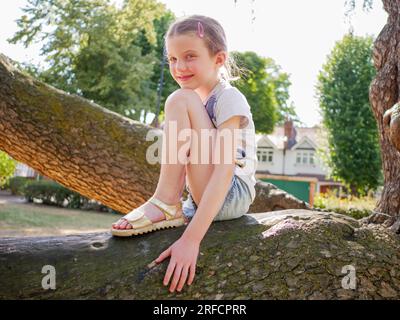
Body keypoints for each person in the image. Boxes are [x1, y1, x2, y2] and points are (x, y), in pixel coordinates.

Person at [111, 14, 257, 293]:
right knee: (180, 99)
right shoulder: (197, 100)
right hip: (202, 196)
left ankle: (165, 202)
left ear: (219, 59)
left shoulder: (229, 98)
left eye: (190, 56)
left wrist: (191, 240)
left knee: (179, 98)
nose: (179, 67)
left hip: (231, 191)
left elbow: (225, 170)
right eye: (173, 59)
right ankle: (167, 202)